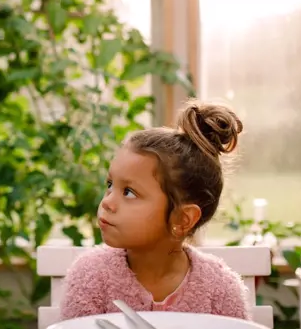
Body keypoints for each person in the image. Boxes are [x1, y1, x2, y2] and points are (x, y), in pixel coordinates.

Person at [60, 100, 249, 320]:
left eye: (129, 192)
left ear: (183, 218)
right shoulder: (90, 276)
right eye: (110, 185)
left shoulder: (221, 290)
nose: (107, 202)